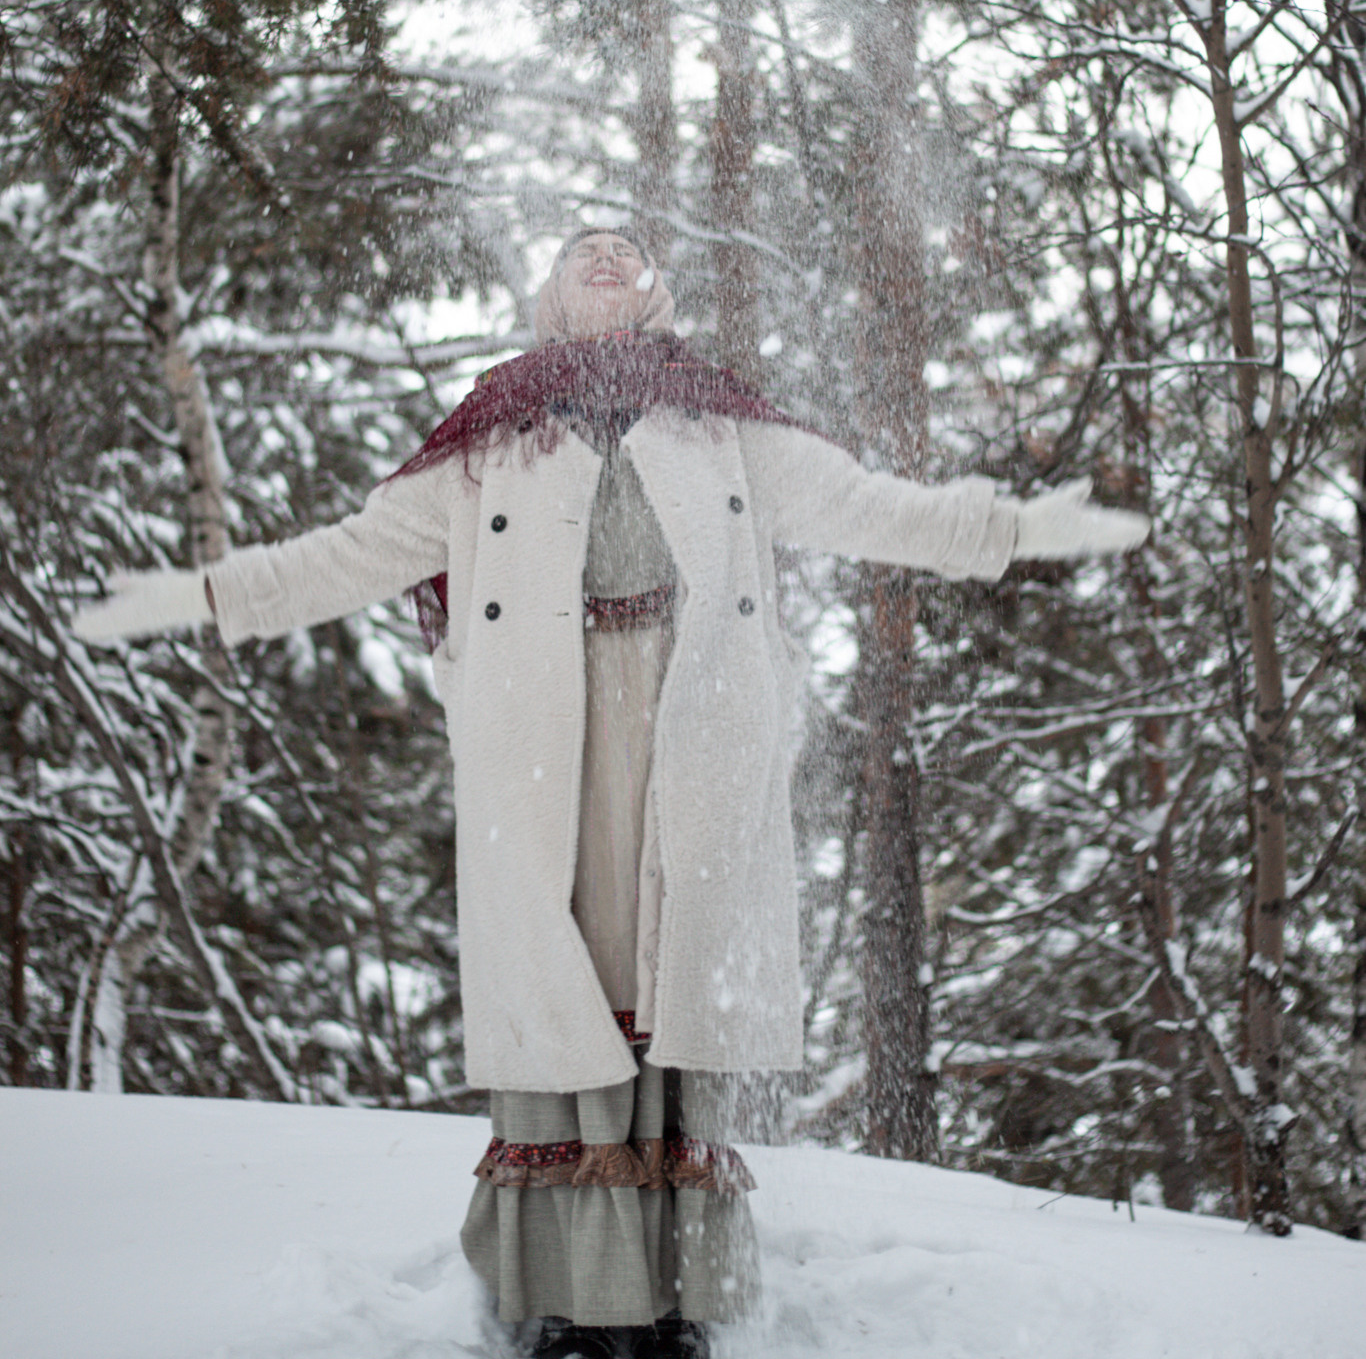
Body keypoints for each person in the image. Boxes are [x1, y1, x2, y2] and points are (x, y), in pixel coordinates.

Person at [75, 226, 1149, 1359]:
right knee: (568, 993)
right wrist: (199, 594)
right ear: (550, 298)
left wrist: (1012, 526)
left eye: (625, 249)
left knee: (669, 984)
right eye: (582, 247)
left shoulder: (715, 419)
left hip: (686, 727)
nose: (605, 254)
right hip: (544, 739)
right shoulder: (489, 437)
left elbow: (869, 506)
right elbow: (341, 556)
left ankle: (673, 1298)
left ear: (653, 293)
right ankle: (573, 1306)